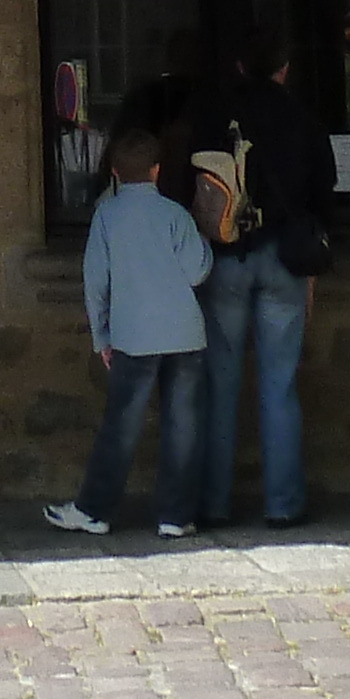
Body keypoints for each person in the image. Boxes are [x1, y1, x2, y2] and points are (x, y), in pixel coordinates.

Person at [189, 31, 334, 529]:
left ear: (237, 65)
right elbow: (324, 189)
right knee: (280, 383)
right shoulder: (301, 117)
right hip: (286, 254)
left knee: (220, 382)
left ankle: (212, 502)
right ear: (284, 68)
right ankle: (284, 503)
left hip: (228, 252)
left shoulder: (215, 113)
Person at [43, 125, 215, 538]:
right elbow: (198, 270)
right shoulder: (174, 214)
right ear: (158, 171)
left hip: (133, 336)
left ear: (115, 173)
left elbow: (95, 281)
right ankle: (176, 515)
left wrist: (100, 336)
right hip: (184, 333)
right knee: (183, 426)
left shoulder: (107, 216)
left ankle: (94, 509)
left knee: (122, 424)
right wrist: (206, 241)